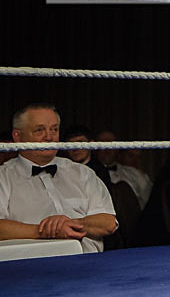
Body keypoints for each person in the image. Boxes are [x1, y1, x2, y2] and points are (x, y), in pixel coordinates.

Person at [0, 104, 117, 253]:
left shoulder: (82, 173)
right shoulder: (3, 178)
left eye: (54, 129)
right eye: (39, 130)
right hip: (29, 270)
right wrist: (45, 231)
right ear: (17, 136)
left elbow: (108, 223)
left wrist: (70, 224)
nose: (49, 137)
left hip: (88, 266)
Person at [94, 130, 153, 210]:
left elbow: (149, 201)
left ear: (117, 148)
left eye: (111, 144)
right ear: (94, 148)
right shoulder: (86, 174)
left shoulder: (134, 174)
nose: (107, 149)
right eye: (103, 144)